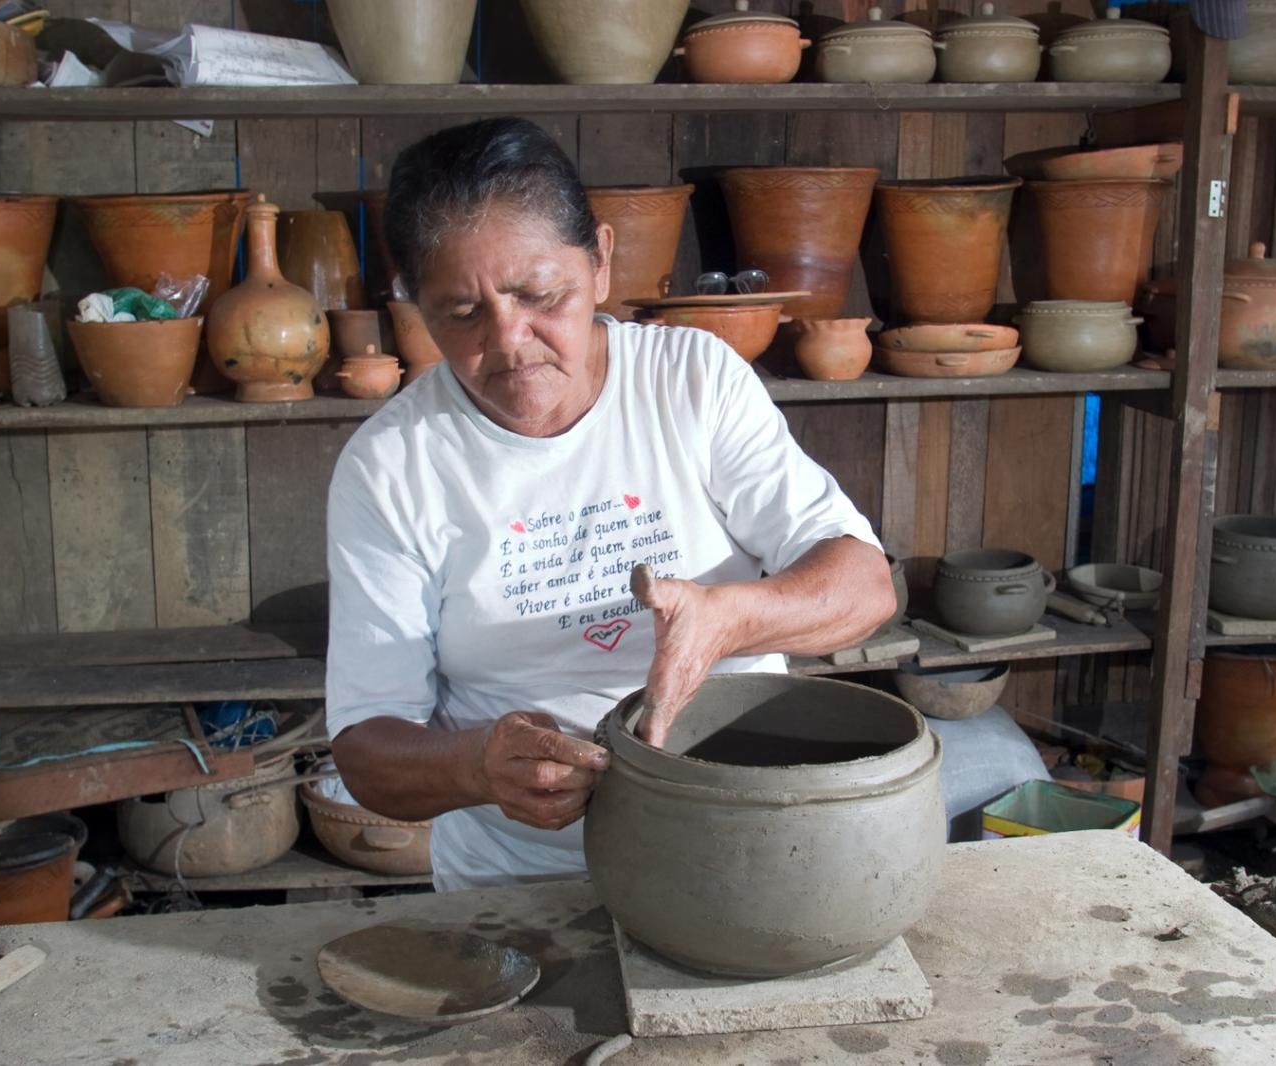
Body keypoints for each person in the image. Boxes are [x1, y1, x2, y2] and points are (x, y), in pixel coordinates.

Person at [324, 117, 897, 892]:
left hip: (741, 850)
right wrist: (477, 765)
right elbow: (366, 752)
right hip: (521, 884)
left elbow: (865, 586)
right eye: (462, 313)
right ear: (414, 307)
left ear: (599, 262)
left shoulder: (692, 380)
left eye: (540, 294)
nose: (509, 340)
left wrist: (731, 617)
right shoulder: (393, 464)